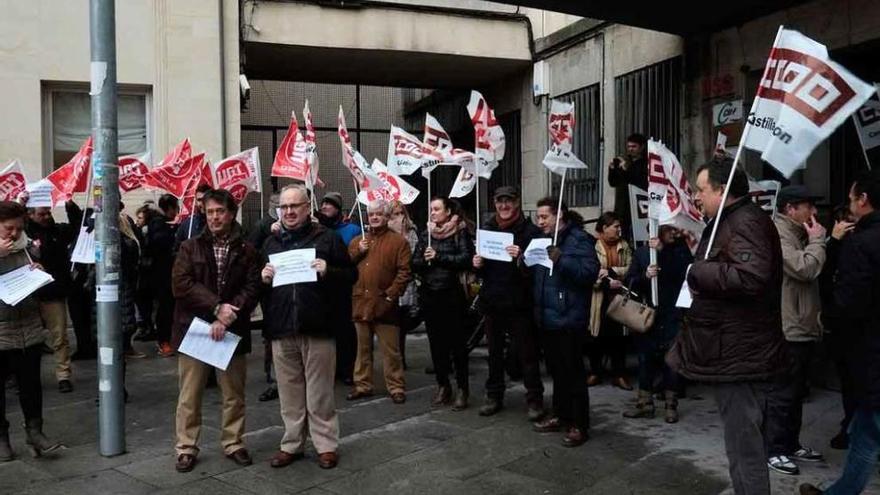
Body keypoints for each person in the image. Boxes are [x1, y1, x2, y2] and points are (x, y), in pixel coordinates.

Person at [667, 157, 786, 495]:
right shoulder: (727, 220)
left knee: (745, 445)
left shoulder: (746, 221)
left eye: (701, 190)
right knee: (739, 443)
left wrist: (698, 271)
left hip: (741, 355)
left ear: (722, 190)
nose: (696, 198)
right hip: (732, 349)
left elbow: (751, 277)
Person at [261, 184, 356, 470]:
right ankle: (292, 444)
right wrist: (263, 277)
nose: (289, 211)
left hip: (319, 326)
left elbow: (352, 274)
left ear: (307, 208)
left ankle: (325, 444)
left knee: (320, 392)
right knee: (289, 393)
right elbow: (260, 288)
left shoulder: (327, 239)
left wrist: (329, 271)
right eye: (285, 207)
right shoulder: (271, 243)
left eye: (295, 206)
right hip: (281, 328)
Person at [800, 172, 880, 495]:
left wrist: (825, 318)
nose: (849, 203)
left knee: (867, 430)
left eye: (850, 198)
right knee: (864, 433)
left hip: (871, 353)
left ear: (862, 200)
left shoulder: (861, 243)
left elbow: (848, 304)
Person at [170, 189, 261, 473]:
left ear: (231, 213)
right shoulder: (190, 247)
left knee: (233, 392)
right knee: (190, 393)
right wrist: (215, 308)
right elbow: (181, 285)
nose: (214, 217)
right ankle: (186, 447)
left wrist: (227, 315)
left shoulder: (247, 250)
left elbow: (253, 286)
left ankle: (233, 441)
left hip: (231, 328)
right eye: (209, 212)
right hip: (195, 329)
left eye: (220, 211)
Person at [764, 185, 827, 476]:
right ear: (790, 209)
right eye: (808, 206)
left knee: (796, 391)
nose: (813, 212)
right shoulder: (778, 234)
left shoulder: (798, 232)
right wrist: (819, 242)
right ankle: (774, 449)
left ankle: (790, 443)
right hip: (787, 326)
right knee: (783, 392)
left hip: (803, 324)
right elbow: (804, 268)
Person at [530, 197, 599, 447]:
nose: (540, 222)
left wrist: (562, 259)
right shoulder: (543, 239)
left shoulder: (578, 239)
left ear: (559, 216)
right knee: (556, 372)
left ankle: (579, 424)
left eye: (544, 217)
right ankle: (560, 414)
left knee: (573, 374)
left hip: (568, 318)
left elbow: (589, 273)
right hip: (547, 318)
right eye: (538, 217)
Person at [472, 186, 545, 420]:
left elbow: (539, 269)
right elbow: (482, 274)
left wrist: (521, 258)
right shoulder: (488, 230)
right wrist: (477, 264)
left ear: (517, 202)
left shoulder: (531, 231)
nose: (504, 206)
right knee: (493, 354)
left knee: (527, 354)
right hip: (493, 303)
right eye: (499, 201)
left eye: (508, 201)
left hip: (519, 304)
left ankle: (534, 400)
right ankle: (493, 395)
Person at [0, 201, 62, 461]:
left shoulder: (27, 247)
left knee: (31, 385)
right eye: (8, 228)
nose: (13, 234)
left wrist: (39, 273)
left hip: (29, 326)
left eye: (18, 228)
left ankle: (34, 431)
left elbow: (36, 279)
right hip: (1, 330)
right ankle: (2, 438)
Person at [623, 225, 692, 423]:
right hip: (648, 313)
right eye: (669, 230)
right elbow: (630, 280)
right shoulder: (643, 253)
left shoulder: (680, 251)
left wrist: (663, 254)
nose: (674, 233)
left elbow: (686, 274)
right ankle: (644, 403)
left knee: (671, 360)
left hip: (672, 313)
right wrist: (644, 276)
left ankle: (671, 405)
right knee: (645, 359)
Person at [412, 197, 474, 410]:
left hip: (452, 294)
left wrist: (438, 257)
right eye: (431, 209)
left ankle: (463, 388)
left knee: (457, 345)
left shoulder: (459, 232)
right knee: (436, 344)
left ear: (448, 212)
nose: (432, 213)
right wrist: (424, 260)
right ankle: (443, 385)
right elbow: (415, 262)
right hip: (430, 294)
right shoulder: (425, 234)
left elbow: (466, 259)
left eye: (437, 209)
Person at [346, 199, 411, 404]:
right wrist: (358, 252)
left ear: (386, 217)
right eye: (371, 214)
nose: (374, 217)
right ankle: (363, 384)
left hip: (385, 304)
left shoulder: (399, 242)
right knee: (362, 349)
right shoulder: (357, 241)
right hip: (360, 302)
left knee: (390, 350)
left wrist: (391, 295)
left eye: (379, 214)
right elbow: (347, 268)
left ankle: (396, 386)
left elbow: (404, 272)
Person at [18, 193, 76, 393]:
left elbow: (78, 226)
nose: (47, 217)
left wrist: (70, 203)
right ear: (31, 215)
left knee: (59, 336)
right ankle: (22, 378)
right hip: (29, 294)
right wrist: (20, 204)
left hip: (53, 292)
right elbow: (12, 223)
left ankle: (63, 375)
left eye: (48, 212)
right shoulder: (23, 233)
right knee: (26, 339)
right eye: (42, 214)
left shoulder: (57, 231)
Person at [820, 205, 857, 450]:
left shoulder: (866, 244)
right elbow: (823, 278)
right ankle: (850, 424)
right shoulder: (833, 246)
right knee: (848, 380)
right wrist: (833, 242)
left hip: (861, 322)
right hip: (842, 325)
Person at [587, 212, 633, 390]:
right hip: (598, 298)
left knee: (618, 339)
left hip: (619, 298)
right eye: (615, 226)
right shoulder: (593, 246)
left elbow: (630, 267)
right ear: (604, 228)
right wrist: (603, 281)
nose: (619, 230)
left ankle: (619, 374)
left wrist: (612, 271)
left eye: (619, 226)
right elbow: (592, 271)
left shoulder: (625, 245)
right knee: (596, 337)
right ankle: (595, 372)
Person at [319, 191, 359, 385]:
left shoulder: (351, 229)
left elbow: (353, 260)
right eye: (323, 204)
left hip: (342, 287)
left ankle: (347, 369)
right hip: (322, 289)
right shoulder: (316, 228)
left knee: (345, 331)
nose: (325, 207)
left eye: (330, 204)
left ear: (338, 209)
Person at [388, 200, 420, 370]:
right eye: (395, 213)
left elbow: (413, 256)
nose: (399, 217)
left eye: (401, 213)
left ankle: (401, 356)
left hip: (406, 284)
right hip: (388, 283)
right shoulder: (384, 233)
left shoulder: (411, 231)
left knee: (402, 324)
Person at [148, 194, 179, 357]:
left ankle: (169, 339)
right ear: (170, 209)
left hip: (169, 275)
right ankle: (164, 341)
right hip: (162, 275)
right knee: (165, 309)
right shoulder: (158, 224)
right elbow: (159, 243)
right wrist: (172, 231)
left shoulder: (162, 223)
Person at [607, 133, 648, 239]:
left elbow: (636, 181)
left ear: (642, 147)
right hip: (622, 207)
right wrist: (612, 169)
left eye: (634, 147)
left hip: (637, 206)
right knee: (622, 235)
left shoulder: (645, 164)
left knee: (638, 236)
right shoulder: (625, 161)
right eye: (629, 146)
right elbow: (613, 182)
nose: (631, 149)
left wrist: (625, 169)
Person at [133, 204, 158, 342]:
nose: (138, 220)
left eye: (140, 218)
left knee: (148, 304)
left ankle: (149, 327)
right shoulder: (139, 232)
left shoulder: (150, 234)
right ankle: (145, 326)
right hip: (142, 274)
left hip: (149, 275)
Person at [174, 183, 211, 251]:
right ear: (195, 202)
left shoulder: (218, 223)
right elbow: (176, 250)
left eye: (206, 199)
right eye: (199, 200)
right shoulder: (187, 225)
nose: (202, 203)